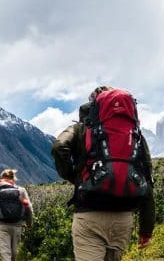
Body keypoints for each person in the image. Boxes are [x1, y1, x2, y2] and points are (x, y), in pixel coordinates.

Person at [52, 86, 155, 261]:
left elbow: (59, 147)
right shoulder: (134, 134)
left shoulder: (81, 128)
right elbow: (146, 179)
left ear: (93, 106)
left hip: (89, 215)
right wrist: (146, 229)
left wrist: (75, 177)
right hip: (123, 219)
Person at [0, 169, 34, 261]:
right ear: (13, 178)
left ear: (2, 178)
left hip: (1, 226)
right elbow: (29, 208)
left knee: (5, 255)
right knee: (14, 255)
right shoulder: (21, 190)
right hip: (17, 227)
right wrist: (29, 224)